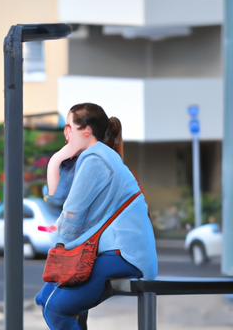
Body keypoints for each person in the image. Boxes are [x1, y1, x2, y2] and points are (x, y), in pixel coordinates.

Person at [35, 103, 157, 330]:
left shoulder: (95, 159)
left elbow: (71, 215)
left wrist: (58, 238)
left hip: (125, 254)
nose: (66, 133)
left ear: (87, 131)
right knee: (43, 299)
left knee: (55, 307)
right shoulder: (95, 157)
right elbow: (60, 200)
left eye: (70, 126)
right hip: (113, 252)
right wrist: (62, 159)